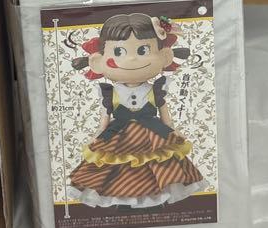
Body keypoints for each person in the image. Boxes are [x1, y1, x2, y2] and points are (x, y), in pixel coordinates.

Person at [67, 13, 206, 208]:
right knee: (116, 167)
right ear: (97, 62)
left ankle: (153, 200)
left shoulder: (157, 89)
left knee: (159, 165)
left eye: (143, 50)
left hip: (154, 136)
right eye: (119, 52)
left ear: (165, 56)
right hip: (118, 136)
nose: (132, 59)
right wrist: (96, 136)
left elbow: (166, 118)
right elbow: (103, 121)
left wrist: (174, 131)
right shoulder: (109, 93)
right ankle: (123, 198)